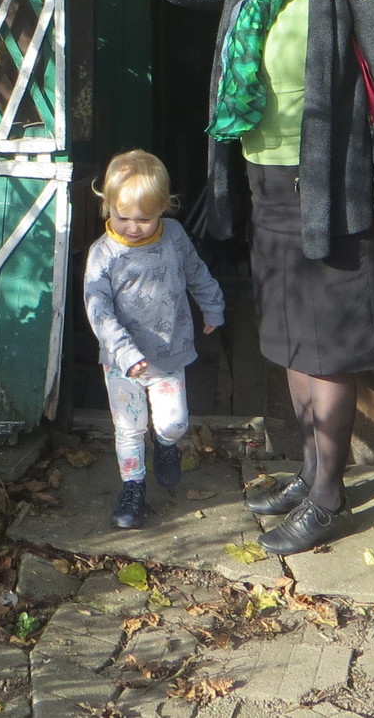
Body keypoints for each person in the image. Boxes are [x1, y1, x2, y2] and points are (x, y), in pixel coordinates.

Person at [150, 0, 374, 554]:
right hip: (266, 185)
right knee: (292, 339)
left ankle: (329, 500)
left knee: (327, 347)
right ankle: (310, 473)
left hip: (333, 191)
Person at [81, 149, 226, 531]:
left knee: (174, 422)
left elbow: (196, 272)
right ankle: (133, 488)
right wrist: (125, 353)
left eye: (144, 219)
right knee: (129, 427)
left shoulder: (174, 236)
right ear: (107, 205)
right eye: (122, 217)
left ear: (164, 207)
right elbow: (99, 310)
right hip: (121, 362)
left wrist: (212, 305)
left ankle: (165, 445)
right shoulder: (103, 255)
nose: (132, 227)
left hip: (168, 353)